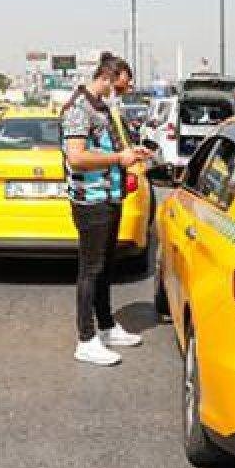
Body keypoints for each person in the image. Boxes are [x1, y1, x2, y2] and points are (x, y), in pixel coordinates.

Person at [60, 53, 152, 366]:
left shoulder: (101, 107)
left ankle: (107, 326)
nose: (123, 93)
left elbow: (105, 148)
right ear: (108, 79)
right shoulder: (78, 109)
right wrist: (118, 159)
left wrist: (130, 153)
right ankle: (86, 339)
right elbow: (76, 157)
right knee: (90, 270)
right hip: (91, 200)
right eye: (122, 87)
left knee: (104, 267)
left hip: (109, 196)